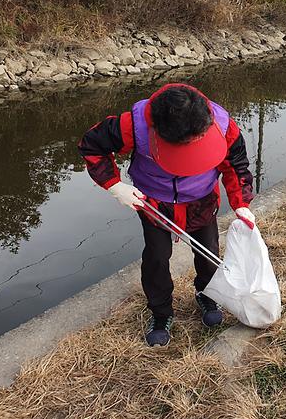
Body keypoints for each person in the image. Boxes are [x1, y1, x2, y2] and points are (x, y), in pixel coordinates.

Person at [79, 83, 254, 347]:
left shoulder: (222, 124)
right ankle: (161, 314)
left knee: (209, 251)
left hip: (201, 199)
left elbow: (236, 162)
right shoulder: (134, 126)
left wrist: (241, 202)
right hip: (154, 203)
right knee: (157, 257)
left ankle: (207, 293)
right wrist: (115, 186)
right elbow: (92, 146)